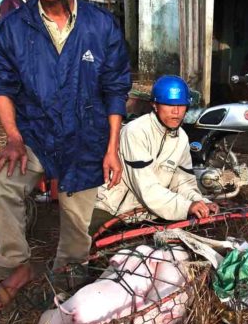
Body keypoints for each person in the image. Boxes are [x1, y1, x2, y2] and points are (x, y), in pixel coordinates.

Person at [0, 0, 131, 310]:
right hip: (34, 134)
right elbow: (1, 84)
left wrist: (112, 147)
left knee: (76, 220)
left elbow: (116, 89)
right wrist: (14, 137)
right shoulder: (14, 28)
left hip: (85, 137)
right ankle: (18, 264)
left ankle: (67, 277)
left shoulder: (101, 27)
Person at [93, 75, 220, 233]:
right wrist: (187, 206)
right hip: (111, 210)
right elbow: (146, 188)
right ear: (155, 105)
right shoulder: (136, 132)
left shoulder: (181, 138)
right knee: (83, 250)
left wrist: (200, 201)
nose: (176, 111)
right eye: (169, 104)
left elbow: (182, 182)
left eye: (181, 105)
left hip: (148, 214)